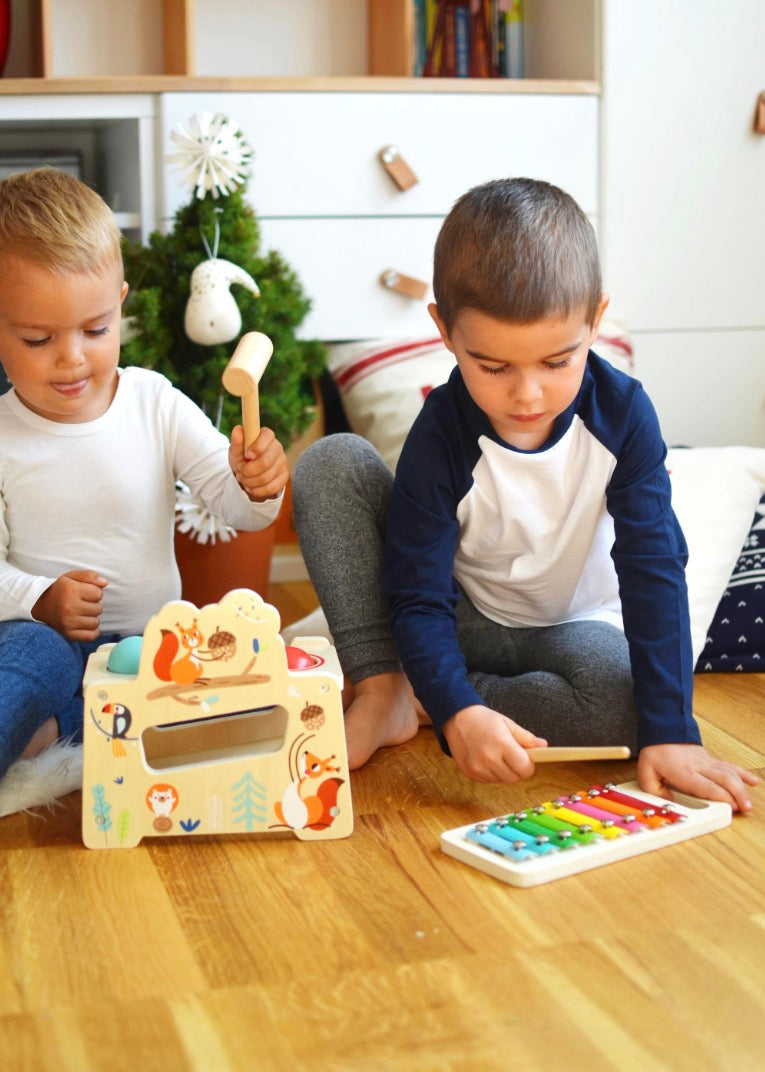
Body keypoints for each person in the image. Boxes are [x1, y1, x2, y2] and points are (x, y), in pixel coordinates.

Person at [294, 176, 757, 812]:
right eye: (492, 368)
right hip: (460, 617)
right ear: (444, 330)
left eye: (557, 362)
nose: (528, 396)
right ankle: (383, 687)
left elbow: (653, 568)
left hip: (566, 629)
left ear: (595, 321)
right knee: (332, 461)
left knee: (629, 708)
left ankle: (421, 696)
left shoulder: (624, 416)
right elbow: (419, 592)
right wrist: (463, 708)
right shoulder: (442, 433)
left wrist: (674, 734)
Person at [0, 167, 288, 781]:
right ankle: (56, 722)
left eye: (96, 329)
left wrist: (258, 482)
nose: (72, 356)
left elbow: (239, 508)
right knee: (26, 661)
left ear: (120, 305)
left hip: (156, 648)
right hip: (45, 641)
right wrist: (39, 601)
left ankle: (65, 727)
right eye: (36, 339)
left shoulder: (155, 402)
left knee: (211, 666)